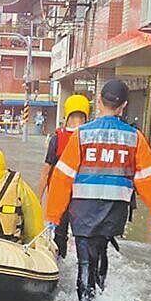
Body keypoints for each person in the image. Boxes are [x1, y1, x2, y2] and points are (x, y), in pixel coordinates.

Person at [45, 79, 151, 301]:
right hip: (115, 209)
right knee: (101, 248)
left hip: (83, 208)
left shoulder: (82, 135)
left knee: (85, 259)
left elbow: (62, 177)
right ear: (123, 106)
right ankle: (100, 293)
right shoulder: (134, 137)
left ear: (99, 102)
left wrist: (53, 216)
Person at [37, 94, 91, 258]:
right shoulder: (90, 136)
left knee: (60, 233)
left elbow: (47, 170)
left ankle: (60, 263)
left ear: (66, 115)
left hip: (59, 194)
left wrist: (38, 198)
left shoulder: (57, 138)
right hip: (84, 195)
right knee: (85, 236)